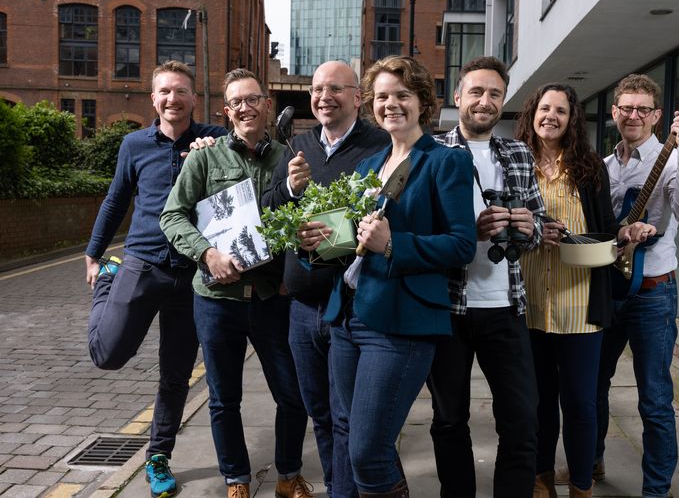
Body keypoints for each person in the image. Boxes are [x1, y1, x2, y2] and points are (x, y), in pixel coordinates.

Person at [299, 55, 476, 497]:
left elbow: (462, 245)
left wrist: (394, 244)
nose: (390, 104)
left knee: (368, 450)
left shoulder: (445, 161)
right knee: (346, 432)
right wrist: (318, 243)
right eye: (381, 97)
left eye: (402, 95)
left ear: (423, 102)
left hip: (401, 323)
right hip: (347, 316)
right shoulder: (368, 165)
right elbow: (351, 243)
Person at [160, 69, 313, 498]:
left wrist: (292, 276)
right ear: (226, 112)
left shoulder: (290, 158)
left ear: (267, 105)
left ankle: (288, 476)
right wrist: (207, 254)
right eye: (236, 102)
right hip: (216, 297)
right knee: (224, 399)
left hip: (272, 297)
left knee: (292, 394)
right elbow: (172, 216)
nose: (245, 108)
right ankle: (236, 480)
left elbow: (305, 222)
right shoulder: (203, 159)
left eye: (253, 99)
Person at [84, 60, 227, 498]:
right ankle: (108, 282)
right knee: (108, 354)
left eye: (180, 91)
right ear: (153, 99)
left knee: (176, 374)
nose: (172, 99)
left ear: (193, 98)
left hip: (192, 275)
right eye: (164, 91)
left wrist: (216, 152)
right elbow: (115, 200)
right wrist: (93, 255)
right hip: (142, 265)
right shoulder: (134, 145)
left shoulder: (215, 140)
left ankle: (158, 456)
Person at [515, 83, 656, 498]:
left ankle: (580, 485)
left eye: (561, 110)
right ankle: (541, 479)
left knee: (580, 402)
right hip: (530, 302)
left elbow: (606, 227)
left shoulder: (589, 167)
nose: (551, 116)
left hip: (580, 304)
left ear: (572, 119)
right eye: (545, 108)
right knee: (539, 401)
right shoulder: (515, 162)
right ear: (533, 113)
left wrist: (626, 232)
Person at [262, 60, 389, 498]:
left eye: (335, 88)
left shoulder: (380, 145)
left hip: (351, 306)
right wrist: (291, 189)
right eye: (317, 89)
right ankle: (338, 486)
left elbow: (385, 214)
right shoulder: (298, 145)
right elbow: (269, 208)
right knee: (319, 412)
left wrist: (339, 233)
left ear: (357, 97)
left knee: (348, 417)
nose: (323, 97)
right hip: (301, 308)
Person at [428, 56, 542, 497]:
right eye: (476, 91)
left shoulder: (518, 153)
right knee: (449, 419)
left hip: (506, 306)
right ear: (458, 97)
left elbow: (539, 225)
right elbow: (416, 225)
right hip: (448, 308)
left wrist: (529, 228)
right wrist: (465, 233)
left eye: (495, 93)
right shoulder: (432, 151)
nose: (485, 101)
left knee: (522, 419)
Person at [595, 74, 679, 498]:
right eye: (626, 108)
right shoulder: (604, 167)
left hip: (653, 292)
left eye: (643, 109)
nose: (633, 115)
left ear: (658, 116)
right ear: (614, 112)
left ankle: (656, 490)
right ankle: (591, 462)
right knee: (593, 384)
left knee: (654, 398)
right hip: (608, 289)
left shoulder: (673, 160)